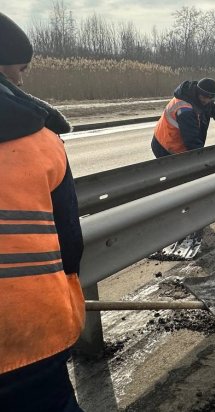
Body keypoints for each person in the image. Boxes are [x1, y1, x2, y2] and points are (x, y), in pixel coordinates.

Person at [0, 12, 85, 412]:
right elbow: (69, 239)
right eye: (20, 69)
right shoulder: (42, 140)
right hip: (31, 330)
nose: (22, 78)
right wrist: (67, 297)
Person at [151, 78, 215, 158]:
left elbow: (210, 106)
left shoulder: (200, 97)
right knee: (180, 169)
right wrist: (202, 158)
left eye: (210, 98)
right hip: (164, 147)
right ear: (198, 92)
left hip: (171, 140)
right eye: (204, 97)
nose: (206, 100)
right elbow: (192, 141)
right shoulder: (185, 110)